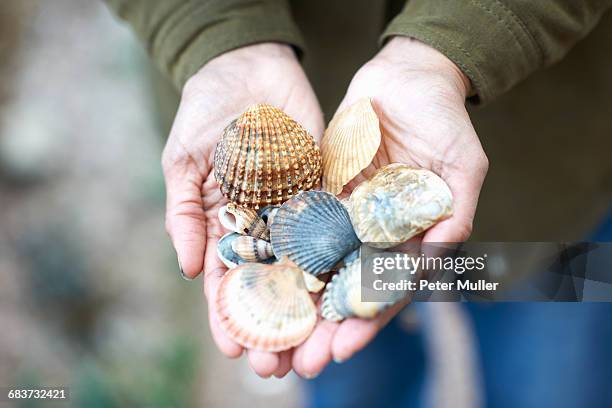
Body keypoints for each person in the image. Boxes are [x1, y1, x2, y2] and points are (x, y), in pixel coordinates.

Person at [105, 1, 612, 406]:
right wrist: (216, 37)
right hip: (313, 164)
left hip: (556, 173)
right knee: (356, 384)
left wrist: (451, 47)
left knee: (563, 388)